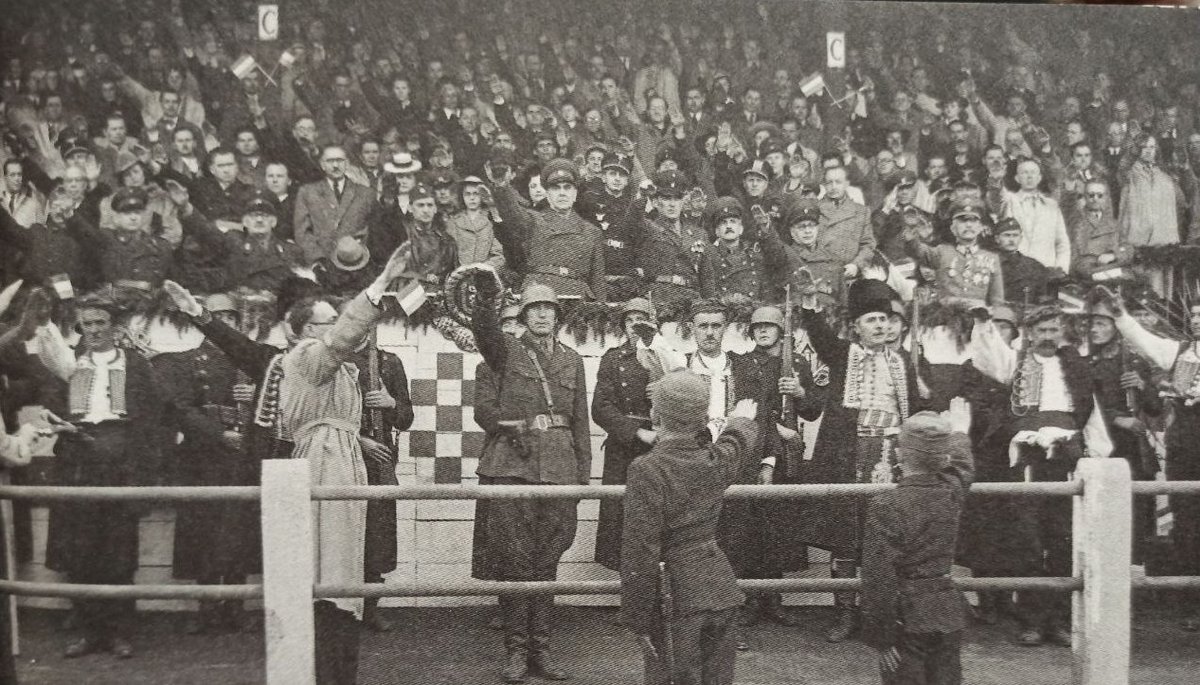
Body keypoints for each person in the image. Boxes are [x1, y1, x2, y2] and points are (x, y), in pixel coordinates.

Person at [32, 290, 167, 659]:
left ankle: (119, 632)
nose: (92, 330)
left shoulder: (136, 365)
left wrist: (143, 471)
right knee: (82, 549)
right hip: (79, 461)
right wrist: (56, 418)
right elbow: (52, 402)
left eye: (100, 323)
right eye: (86, 324)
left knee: (119, 550)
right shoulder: (69, 361)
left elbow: (152, 420)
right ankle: (90, 631)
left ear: (114, 326)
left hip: (122, 460)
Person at [470, 278, 591, 684]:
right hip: (511, 465)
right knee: (515, 562)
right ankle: (516, 651)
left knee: (547, 562)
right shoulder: (505, 351)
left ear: (558, 316)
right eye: (534, 309)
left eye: (549, 309)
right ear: (522, 316)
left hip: (560, 468)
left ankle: (542, 648)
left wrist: (582, 479)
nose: (542, 314)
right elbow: (484, 332)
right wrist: (487, 301)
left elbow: (580, 425)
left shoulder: (573, 359)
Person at [795, 278, 924, 643]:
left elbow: (912, 410)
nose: (880, 325)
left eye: (884, 319)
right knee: (846, 537)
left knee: (885, 537)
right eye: (871, 319)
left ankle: (879, 613)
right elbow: (819, 334)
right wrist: (810, 302)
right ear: (855, 327)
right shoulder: (842, 354)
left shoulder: (902, 363)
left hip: (890, 457)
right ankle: (845, 613)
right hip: (847, 455)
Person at [969, 304, 1100, 646]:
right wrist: (983, 324)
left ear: (1062, 331)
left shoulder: (1075, 366)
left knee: (1063, 538)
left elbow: (1091, 414)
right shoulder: (1016, 362)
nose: (1047, 337)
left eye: (1053, 330)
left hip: (1068, 458)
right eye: (1041, 331)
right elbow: (989, 354)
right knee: (1027, 539)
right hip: (1026, 457)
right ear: (1030, 333)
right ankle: (1030, 619)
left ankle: (1058, 619)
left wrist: (1096, 455)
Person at [620, 372, 760, 685]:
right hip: (721, 587)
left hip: (675, 594)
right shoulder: (715, 460)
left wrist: (638, 618)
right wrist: (740, 420)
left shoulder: (646, 469)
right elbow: (734, 443)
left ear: (655, 418)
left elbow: (640, 548)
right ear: (703, 421)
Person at [152, 293, 255, 635]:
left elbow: (280, 406)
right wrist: (218, 434)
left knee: (238, 533)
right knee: (205, 532)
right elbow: (181, 410)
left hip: (244, 457)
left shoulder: (254, 362)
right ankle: (207, 607)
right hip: (205, 457)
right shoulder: (188, 361)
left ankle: (236, 607)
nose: (224, 322)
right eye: (217, 316)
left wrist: (253, 402)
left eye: (230, 317)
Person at [723, 306, 823, 634]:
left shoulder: (797, 363)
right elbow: (746, 409)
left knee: (778, 528)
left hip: (786, 453)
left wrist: (800, 392)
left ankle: (774, 601)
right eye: (758, 327)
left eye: (770, 327)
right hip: (752, 451)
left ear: (781, 330)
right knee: (748, 529)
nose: (764, 332)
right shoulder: (743, 361)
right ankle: (750, 601)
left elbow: (811, 410)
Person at [1106, 289, 1200, 631]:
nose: (1198, 320)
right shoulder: (1180, 352)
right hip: (1188, 445)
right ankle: (1193, 603)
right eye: (1194, 315)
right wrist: (1120, 316)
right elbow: (1144, 341)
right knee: (1189, 522)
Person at [862, 402, 974, 685]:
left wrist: (882, 638)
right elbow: (962, 466)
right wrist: (959, 431)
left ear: (899, 455)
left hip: (905, 618)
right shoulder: (950, 491)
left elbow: (878, 577)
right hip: (946, 612)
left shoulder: (886, 505)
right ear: (942, 457)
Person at [351, 316, 415, 633]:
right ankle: (341, 610)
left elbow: (406, 418)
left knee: (377, 534)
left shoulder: (389, 362)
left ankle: (371, 607)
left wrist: (390, 403)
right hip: (344, 453)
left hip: (380, 456)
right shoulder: (332, 360)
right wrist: (357, 440)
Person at [592, 298, 659, 572]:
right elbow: (600, 408)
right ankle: (631, 604)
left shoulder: (665, 357)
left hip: (659, 448)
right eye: (630, 320)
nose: (635, 326)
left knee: (656, 519)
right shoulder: (612, 358)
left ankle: (656, 603)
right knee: (620, 519)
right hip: (623, 448)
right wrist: (635, 432)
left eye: (641, 320)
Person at [488, 157, 607, 302]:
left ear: (575, 194)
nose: (562, 193)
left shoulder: (592, 232)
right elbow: (512, 215)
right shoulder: (533, 220)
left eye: (567, 187)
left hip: (577, 299)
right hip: (539, 295)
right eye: (556, 188)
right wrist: (501, 186)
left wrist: (601, 314)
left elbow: (598, 282)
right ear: (548, 194)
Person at [905, 197, 1004, 306]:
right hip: (947, 316)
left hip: (978, 317)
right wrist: (912, 238)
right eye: (962, 221)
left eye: (973, 220)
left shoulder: (991, 258)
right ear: (953, 228)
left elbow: (997, 301)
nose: (968, 225)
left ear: (980, 227)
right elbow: (918, 251)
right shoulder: (942, 252)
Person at [294, 144, 378, 264]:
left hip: (355, 262)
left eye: (339, 160)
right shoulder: (307, 192)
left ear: (347, 163)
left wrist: (356, 253)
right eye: (330, 161)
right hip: (321, 264)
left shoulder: (365, 193)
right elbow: (302, 232)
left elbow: (372, 231)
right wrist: (319, 260)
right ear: (322, 165)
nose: (335, 166)